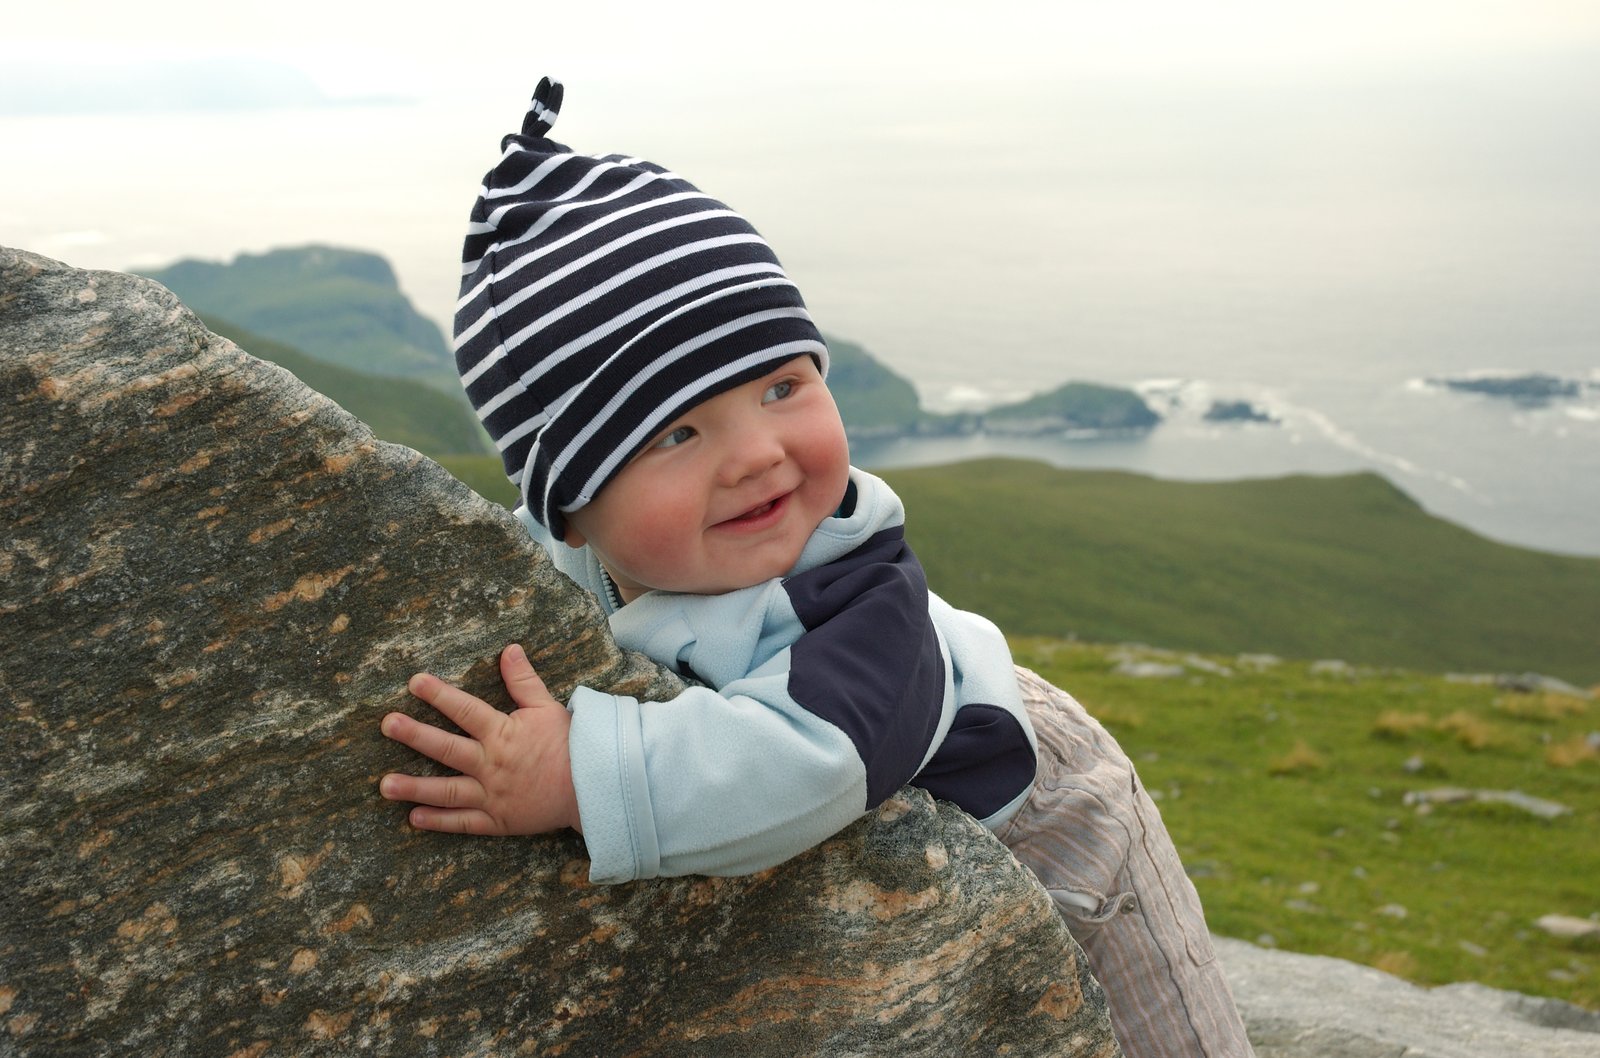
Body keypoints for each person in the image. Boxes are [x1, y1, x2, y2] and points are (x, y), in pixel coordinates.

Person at [379, 78, 1252, 1058]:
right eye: (676, 433)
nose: (757, 454)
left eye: (781, 385)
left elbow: (807, 760)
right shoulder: (566, 546)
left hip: (1060, 819)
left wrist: (575, 773)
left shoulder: (864, 589)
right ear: (571, 509)